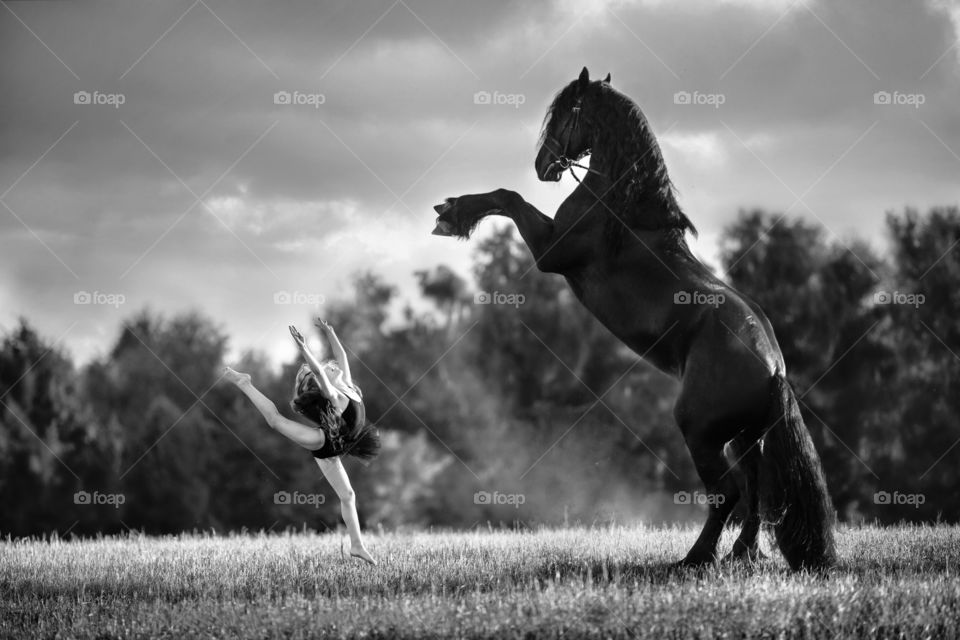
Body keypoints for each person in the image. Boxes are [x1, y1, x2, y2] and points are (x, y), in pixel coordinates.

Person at [222, 318, 380, 564]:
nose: (333, 365)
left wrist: (330, 332)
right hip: (324, 443)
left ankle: (357, 546)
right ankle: (245, 383)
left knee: (348, 496)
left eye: (332, 365)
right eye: (329, 367)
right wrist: (304, 348)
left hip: (339, 443)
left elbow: (342, 356)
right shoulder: (335, 395)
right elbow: (318, 372)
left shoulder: (348, 386)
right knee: (275, 421)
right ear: (323, 378)